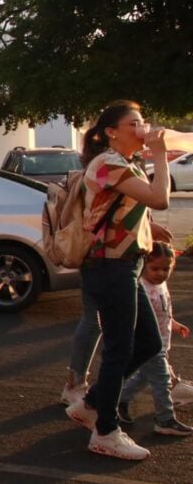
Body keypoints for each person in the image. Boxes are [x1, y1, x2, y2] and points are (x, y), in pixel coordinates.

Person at [64, 101, 170, 460]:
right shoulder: (108, 162)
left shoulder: (124, 163)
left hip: (125, 266)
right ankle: (105, 431)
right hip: (109, 268)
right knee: (119, 349)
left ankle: (91, 403)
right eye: (135, 124)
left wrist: (148, 229)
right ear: (111, 131)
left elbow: (125, 210)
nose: (142, 129)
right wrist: (159, 154)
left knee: (147, 344)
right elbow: (160, 198)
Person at [116, 242, 192, 435]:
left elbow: (163, 312)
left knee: (143, 377)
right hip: (149, 345)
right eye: (155, 268)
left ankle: (120, 399)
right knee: (162, 380)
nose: (160, 273)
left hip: (161, 343)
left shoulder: (161, 286)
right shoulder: (142, 288)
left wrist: (174, 324)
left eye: (166, 269)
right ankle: (164, 419)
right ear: (144, 265)